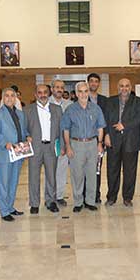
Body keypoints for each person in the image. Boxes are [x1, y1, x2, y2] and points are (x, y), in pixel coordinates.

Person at [61, 82, 106, 212]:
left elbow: (100, 127)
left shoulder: (96, 108)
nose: (83, 94)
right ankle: (78, 202)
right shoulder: (70, 109)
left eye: (86, 91)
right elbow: (66, 129)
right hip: (76, 144)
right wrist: (68, 146)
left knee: (92, 174)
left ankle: (90, 201)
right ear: (76, 93)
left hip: (92, 144)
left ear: (88, 92)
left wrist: (99, 143)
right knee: (77, 175)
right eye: (80, 91)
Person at [0, 88, 31, 221]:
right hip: (5, 153)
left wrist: (28, 137)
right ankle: (4, 211)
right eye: (6, 96)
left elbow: (23, 130)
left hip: (18, 152)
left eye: (12, 96)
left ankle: (10, 206)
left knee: (14, 182)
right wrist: (4, 143)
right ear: (3, 98)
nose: (9, 98)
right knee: (4, 183)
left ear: (16, 98)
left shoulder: (20, 113)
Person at [104, 78, 140, 207]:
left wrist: (124, 125)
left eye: (127, 86)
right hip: (113, 140)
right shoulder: (110, 101)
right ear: (118, 87)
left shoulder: (137, 101)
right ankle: (111, 197)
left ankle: (127, 197)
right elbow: (105, 119)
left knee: (130, 171)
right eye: (121, 86)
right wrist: (106, 134)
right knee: (112, 170)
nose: (124, 88)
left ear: (130, 87)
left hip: (131, 140)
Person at [24, 84, 63, 214]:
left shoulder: (57, 109)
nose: (43, 95)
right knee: (33, 176)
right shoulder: (27, 110)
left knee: (51, 176)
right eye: (40, 93)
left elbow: (62, 129)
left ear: (49, 93)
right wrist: (26, 136)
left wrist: (62, 146)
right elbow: (23, 128)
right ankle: (34, 203)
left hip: (51, 147)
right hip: (35, 147)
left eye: (45, 92)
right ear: (35, 95)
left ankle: (51, 201)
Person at [85, 73, 108, 203]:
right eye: (91, 81)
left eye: (96, 81)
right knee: (84, 169)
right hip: (84, 140)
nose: (94, 83)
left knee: (97, 169)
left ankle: (96, 195)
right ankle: (85, 195)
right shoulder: (82, 99)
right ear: (88, 83)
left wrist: (105, 137)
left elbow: (107, 120)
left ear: (99, 83)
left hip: (99, 140)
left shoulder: (104, 100)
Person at [49, 79, 73, 206]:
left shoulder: (69, 105)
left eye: (61, 88)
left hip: (64, 142)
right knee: (49, 171)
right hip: (49, 143)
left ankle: (59, 196)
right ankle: (49, 196)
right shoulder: (45, 103)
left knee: (62, 170)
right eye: (57, 87)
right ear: (52, 89)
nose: (59, 90)